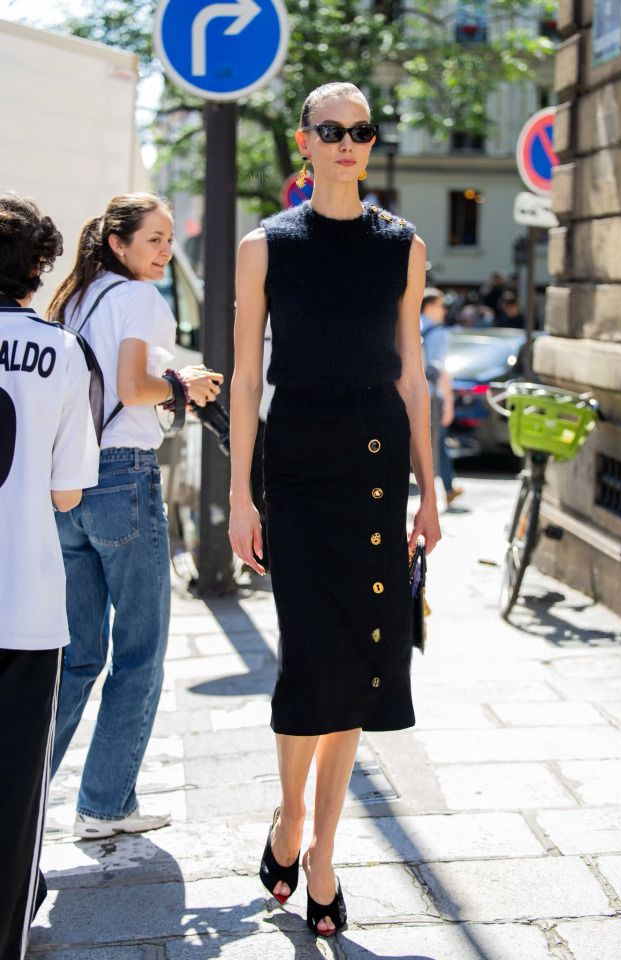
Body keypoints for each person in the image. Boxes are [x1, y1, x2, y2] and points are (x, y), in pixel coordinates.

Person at [229, 82, 440, 938]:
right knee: (309, 656)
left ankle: (322, 853)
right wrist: (241, 492)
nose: (349, 142)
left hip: (378, 468)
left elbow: (412, 373)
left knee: (360, 660)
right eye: (332, 130)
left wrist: (429, 493)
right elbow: (246, 378)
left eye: (362, 131)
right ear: (303, 142)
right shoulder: (265, 245)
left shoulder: (404, 245)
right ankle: (289, 817)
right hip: (299, 467)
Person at [47, 193, 223, 839]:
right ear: (118, 243)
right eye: (152, 238)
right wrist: (185, 385)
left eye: (169, 238)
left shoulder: (76, 299)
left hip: (67, 485)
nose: (164, 250)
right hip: (122, 475)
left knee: (78, 656)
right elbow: (131, 390)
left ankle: (26, 792)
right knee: (140, 652)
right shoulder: (140, 299)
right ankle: (104, 805)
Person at [0, 192, 100, 959]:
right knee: (13, 797)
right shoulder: (60, 351)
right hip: (24, 602)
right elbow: (68, 490)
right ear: (39, 268)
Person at [420, 288, 463, 508]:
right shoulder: (438, 333)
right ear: (429, 306)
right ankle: (442, 491)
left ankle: (446, 488)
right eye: (440, 305)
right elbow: (440, 371)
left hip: (411, 396)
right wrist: (449, 402)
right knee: (437, 444)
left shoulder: (412, 326)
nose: (444, 310)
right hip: (432, 398)